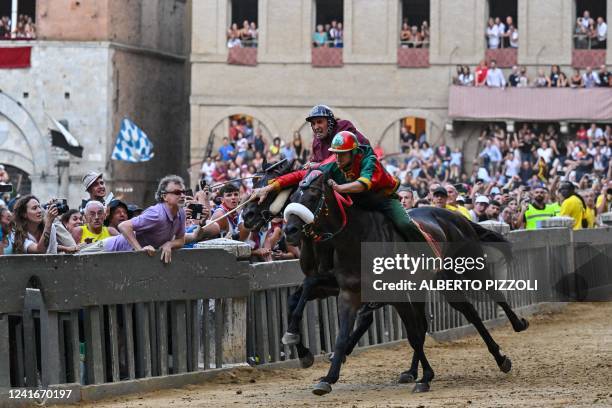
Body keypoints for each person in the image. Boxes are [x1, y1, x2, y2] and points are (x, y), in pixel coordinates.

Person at [255, 131, 428, 244]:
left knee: (404, 224)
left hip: (382, 200)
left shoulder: (369, 160)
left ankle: (429, 256)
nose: (337, 158)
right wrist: (270, 188)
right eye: (335, 153)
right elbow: (301, 175)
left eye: (341, 154)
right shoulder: (333, 162)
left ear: (353, 152)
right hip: (356, 202)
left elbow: (363, 184)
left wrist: (339, 188)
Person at [82, 175, 187, 264]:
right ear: (164, 196)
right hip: (111, 248)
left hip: (125, 259)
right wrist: (140, 251)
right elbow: (123, 226)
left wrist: (169, 244)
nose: (182, 195)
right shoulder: (157, 214)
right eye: (177, 192)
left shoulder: (181, 213)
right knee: (75, 257)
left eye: (183, 192)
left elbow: (181, 240)